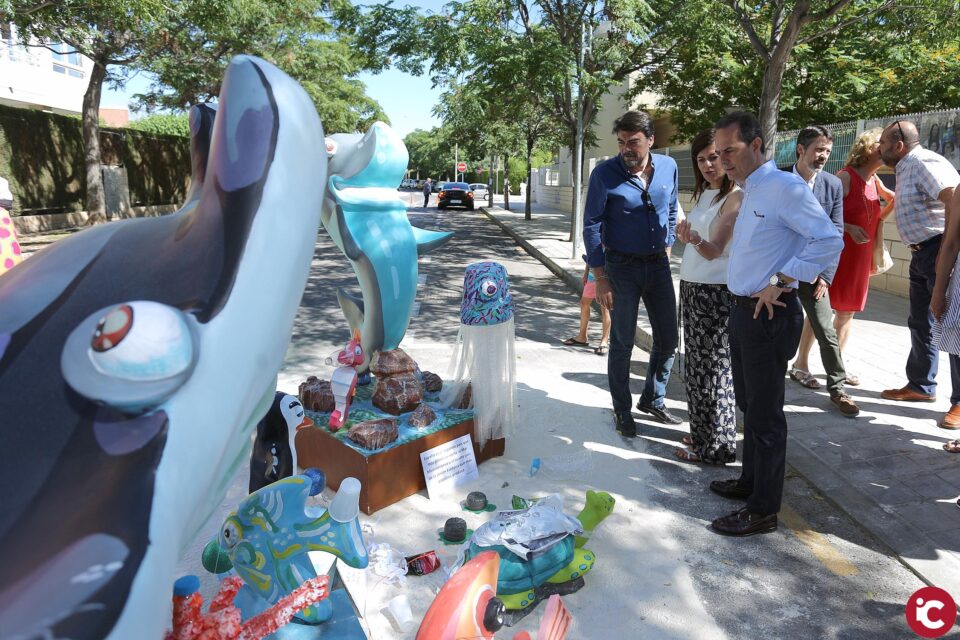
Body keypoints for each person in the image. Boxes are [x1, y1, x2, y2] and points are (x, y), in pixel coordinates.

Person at [708, 111, 842, 537]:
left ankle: (763, 510)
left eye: (730, 150)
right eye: (719, 152)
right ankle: (750, 482)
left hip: (769, 313)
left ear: (756, 144)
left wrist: (784, 280)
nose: (723, 160)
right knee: (750, 405)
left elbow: (829, 239)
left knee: (766, 416)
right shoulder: (750, 190)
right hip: (742, 312)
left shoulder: (785, 188)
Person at [583, 110, 681, 437]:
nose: (626, 148)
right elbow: (592, 225)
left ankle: (652, 398)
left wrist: (668, 244)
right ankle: (622, 409)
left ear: (651, 140)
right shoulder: (604, 174)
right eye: (622, 142)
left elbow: (670, 207)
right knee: (622, 342)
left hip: (658, 264)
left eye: (634, 142)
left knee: (668, 338)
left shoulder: (669, 166)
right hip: (620, 268)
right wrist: (601, 277)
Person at [877, 120, 960, 429]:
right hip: (921, 253)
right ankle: (921, 385)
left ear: (898, 145)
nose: (879, 149)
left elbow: (951, 196)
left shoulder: (923, 161)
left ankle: (959, 402)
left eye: (883, 143)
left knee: (952, 325)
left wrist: (944, 251)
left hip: (938, 250)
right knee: (920, 322)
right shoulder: (906, 166)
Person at [674, 129, 742, 464]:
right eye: (701, 159)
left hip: (714, 295)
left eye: (713, 157)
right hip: (692, 289)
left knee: (714, 372)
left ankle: (715, 448)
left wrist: (694, 239)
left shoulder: (735, 196)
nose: (708, 165)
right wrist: (686, 236)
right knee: (696, 369)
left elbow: (714, 249)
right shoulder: (705, 194)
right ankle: (702, 432)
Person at [785, 126, 858, 417]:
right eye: (818, 149)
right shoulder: (777, 178)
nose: (824, 156)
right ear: (801, 149)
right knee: (772, 325)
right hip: (777, 270)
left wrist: (826, 275)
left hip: (813, 271)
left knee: (826, 330)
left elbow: (836, 232)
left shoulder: (832, 184)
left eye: (827, 151)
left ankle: (838, 389)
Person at [831, 128, 896, 362]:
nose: (888, 147)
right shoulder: (845, 177)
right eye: (882, 143)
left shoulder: (874, 180)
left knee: (848, 312)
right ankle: (802, 363)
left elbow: (894, 199)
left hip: (861, 255)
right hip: (840, 255)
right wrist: (848, 228)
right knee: (822, 311)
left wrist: (879, 216)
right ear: (868, 148)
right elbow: (822, 215)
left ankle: (837, 367)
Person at [562, 260, 611, 355]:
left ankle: (604, 341)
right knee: (584, 303)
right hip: (592, 275)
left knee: (605, 308)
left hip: (606, 278)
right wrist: (586, 272)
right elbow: (591, 255)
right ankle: (582, 337)